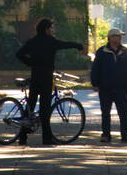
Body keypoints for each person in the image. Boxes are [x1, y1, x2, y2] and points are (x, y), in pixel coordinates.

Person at [15, 18, 84, 146]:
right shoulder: (51, 41)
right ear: (46, 30)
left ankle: (23, 137)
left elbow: (19, 54)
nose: (53, 30)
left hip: (35, 77)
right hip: (46, 78)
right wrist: (78, 45)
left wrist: (30, 63)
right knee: (44, 109)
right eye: (51, 28)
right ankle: (46, 138)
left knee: (30, 106)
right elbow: (65, 44)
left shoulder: (33, 41)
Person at [91, 27, 127, 143]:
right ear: (111, 38)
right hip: (105, 87)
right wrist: (95, 83)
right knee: (105, 113)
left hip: (121, 87)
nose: (119, 38)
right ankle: (105, 135)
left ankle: (126, 135)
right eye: (117, 36)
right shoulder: (102, 52)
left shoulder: (125, 52)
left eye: (120, 36)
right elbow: (95, 69)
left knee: (124, 113)